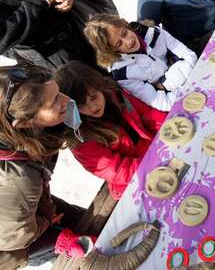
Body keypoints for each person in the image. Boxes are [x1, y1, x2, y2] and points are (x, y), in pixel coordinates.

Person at [0, 64, 85, 269]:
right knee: (88, 250)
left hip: (22, 207)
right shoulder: (19, 182)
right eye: (55, 101)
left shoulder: (14, 126)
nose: (66, 99)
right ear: (23, 123)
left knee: (81, 220)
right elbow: (17, 236)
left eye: (57, 91)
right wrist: (45, 219)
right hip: (16, 244)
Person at [54, 61, 168, 200]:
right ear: (70, 109)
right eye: (81, 105)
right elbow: (117, 170)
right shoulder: (80, 139)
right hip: (134, 180)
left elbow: (148, 114)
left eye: (94, 97)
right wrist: (153, 165)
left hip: (154, 149)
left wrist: (168, 130)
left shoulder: (115, 92)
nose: (92, 107)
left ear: (99, 85)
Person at [84, 14, 197, 112]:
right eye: (119, 44)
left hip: (194, 78)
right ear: (111, 51)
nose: (128, 42)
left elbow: (190, 56)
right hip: (180, 101)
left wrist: (164, 84)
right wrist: (187, 91)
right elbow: (163, 103)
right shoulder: (123, 74)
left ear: (125, 24)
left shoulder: (153, 32)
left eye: (124, 33)